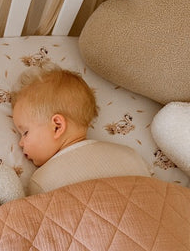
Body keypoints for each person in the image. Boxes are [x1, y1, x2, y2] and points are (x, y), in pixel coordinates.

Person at [11, 65, 151, 195]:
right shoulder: (128, 154)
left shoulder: (42, 181)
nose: (20, 143)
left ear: (57, 126)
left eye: (25, 133)